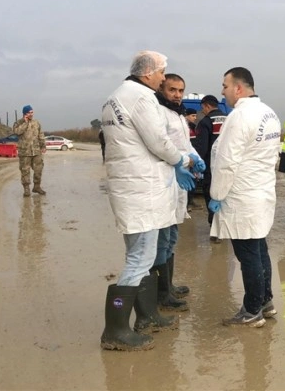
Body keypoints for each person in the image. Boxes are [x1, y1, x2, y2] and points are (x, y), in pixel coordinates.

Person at [99, 50, 202, 351]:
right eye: (161, 72)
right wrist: (184, 160)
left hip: (131, 187)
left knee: (141, 258)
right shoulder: (141, 97)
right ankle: (115, 329)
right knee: (139, 259)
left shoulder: (116, 96)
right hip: (141, 191)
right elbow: (158, 142)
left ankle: (146, 316)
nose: (162, 77)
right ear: (147, 73)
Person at [208, 66, 281, 327]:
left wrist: (216, 195)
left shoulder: (240, 117)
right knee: (260, 249)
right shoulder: (269, 114)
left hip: (241, 196)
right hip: (261, 191)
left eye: (225, 86)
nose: (222, 92)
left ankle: (252, 312)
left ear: (238, 88)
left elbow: (227, 161)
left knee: (248, 254)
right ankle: (266, 301)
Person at [152, 73, 206, 312]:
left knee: (173, 236)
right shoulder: (157, 112)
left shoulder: (178, 114)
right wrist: (184, 161)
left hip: (179, 181)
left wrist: (196, 157)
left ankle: (169, 286)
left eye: (180, 90)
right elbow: (162, 146)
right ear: (162, 88)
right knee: (163, 239)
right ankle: (161, 293)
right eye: (172, 89)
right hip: (166, 179)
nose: (177, 94)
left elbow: (184, 144)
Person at [192, 94, 227, 237]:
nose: (203, 112)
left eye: (203, 109)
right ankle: (225, 228)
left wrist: (196, 165)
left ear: (206, 106)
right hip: (229, 165)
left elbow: (202, 148)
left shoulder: (205, 122)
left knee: (211, 195)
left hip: (212, 167)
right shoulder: (229, 119)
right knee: (226, 196)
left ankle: (215, 229)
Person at [12, 105, 46, 197]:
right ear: (25, 113)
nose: (31, 114)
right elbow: (17, 132)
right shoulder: (18, 123)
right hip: (25, 152)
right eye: (29, 112)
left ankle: (37, 187)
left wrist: (43, 145)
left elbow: (41, 135)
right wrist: (25, 122)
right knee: (25, 171)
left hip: (36, 151)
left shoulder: (36, 123)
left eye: (32, 112)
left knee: (38, 169)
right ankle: (26, 190)